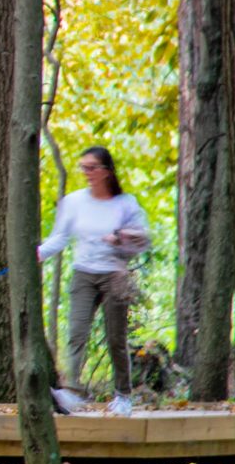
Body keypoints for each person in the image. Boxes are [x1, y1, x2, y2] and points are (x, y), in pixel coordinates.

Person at [38, 144, 153, 412]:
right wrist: (38, 254)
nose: (86, 173)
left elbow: (143, 238)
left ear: (106, 171)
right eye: (83, 168)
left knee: (116, 338)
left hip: (115, 275)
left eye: (91, 168)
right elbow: (60, 237)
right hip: (84, 274)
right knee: (76, 332)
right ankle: (72, 392)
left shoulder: (125, 203)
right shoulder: (74, 202)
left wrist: (121, 237)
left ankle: (123, 395)